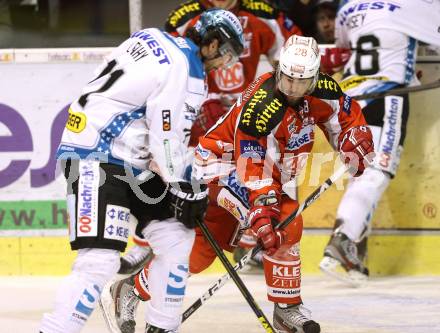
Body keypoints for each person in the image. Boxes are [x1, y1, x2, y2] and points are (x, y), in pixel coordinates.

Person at [102, 34, 374, 333]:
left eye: (302, 82)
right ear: (278, 69)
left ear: (315, 76)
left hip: (260, 173)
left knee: (201, 252)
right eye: (288, 79)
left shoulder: (324, 89)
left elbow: (346, 117)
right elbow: (252, 164)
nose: (294, 89)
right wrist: (263, 208)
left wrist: (354, 139)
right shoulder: (262, 108)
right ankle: (287, 308)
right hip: (219, 166)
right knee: (285, 220)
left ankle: (131, 288)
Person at [39, 8, 244, 333]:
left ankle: (162, 327)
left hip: (121, 157)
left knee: (177, 237)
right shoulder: (185, 67)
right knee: (99, 261)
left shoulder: (152, 36)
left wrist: (185, 185)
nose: (225, 64)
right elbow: (165, 137)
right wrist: (185, 185)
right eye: (227, 54)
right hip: (96, 157)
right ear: (212, 43)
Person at [119, 0, 302, 275]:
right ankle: (145, 241)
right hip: (196, 110)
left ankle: (249, 234)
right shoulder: (187, 16)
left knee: (254, 171)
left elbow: (291, 58)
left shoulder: (262, 14)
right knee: (169, 166)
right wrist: (204, 102)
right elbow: (172, 64)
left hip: (245, 115)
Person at [319, 0, 440, 286]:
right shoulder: (417, 5)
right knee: (376, 172)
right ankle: (344, 241)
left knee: (361, 176)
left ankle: (354, 255)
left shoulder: (349, 7)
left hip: (349, 102)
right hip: (385, 98)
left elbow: (344, 46)